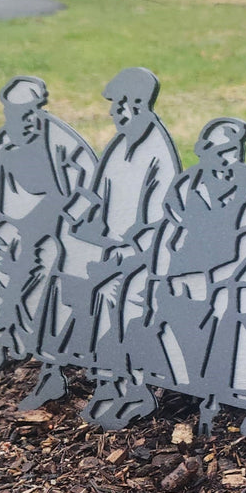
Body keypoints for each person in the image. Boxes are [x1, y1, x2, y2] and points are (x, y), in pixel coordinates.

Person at [123, 117, 246, 433]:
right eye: (219, 150)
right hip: (185, 270)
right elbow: (170, 234)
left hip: (230, 273)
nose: (227, 158)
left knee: (211, 312)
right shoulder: (186, 184)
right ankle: (155, 386)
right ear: (202, 150)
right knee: (150, 308)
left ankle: (210, 395)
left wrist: (214, 278)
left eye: (233, 150)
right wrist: (161, 275)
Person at [0, 76, 97, 408]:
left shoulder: (62, 143)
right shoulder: (0, 145)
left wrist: (66, 227)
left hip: (59, 233)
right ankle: (3, 336)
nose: (26, 120)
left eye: (32, 112)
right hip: (10, 232)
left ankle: (52, 372)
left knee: (47, 281)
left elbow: (89, 193)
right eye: (17, 113)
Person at [69, 67, 181, 429]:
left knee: (126, 305)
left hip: (148, 259)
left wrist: (122, 254)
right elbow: (100, 202)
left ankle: (135, 388)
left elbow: (153, 222)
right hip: (114, 251)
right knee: (93, 297)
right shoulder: (118, 146)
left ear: (140, 105)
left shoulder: (157, 151)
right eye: (114, 105)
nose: (117, 112)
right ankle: (108, 380)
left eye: (123, 104)